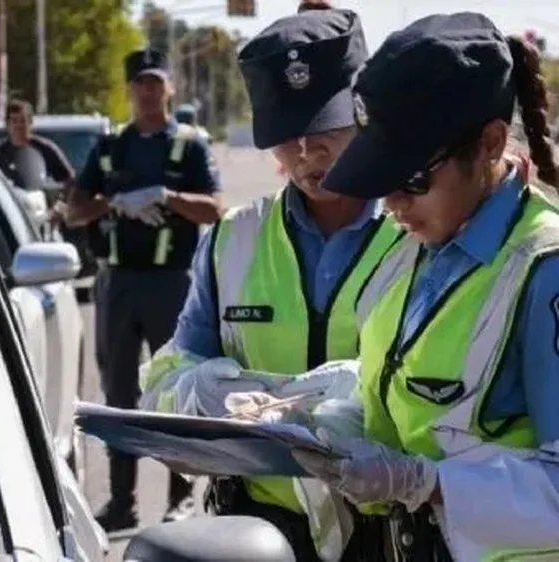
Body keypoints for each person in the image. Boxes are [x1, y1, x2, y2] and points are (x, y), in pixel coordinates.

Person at [288, 12, 559, 561]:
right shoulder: (411, 244)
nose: (392, 204)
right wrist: (338, 418)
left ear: (488, 144)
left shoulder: (543, 271)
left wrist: (426, 483)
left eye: (411, 179)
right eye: (382, 179)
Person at [138, 4, 402, 560]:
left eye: (325, 126)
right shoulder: (233, 239)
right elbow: (173, 367)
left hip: (393, 525)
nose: (307, 153)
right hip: (257, 533)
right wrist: (194, 392)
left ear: (363, 112)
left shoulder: (421, 230)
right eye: (287, 135)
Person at [65, 46, 226, 531]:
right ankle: (121, 502)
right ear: (130, 89)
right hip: (118, 284)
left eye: (157, 82)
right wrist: (116, 201)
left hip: (171, 285)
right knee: (118, 391)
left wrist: (165, 197)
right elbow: (74, 210)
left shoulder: (190, 146)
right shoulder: (111, 146)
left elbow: (214, 208)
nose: (149, 91)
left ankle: (181, 496)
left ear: (169, 88)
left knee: (173, 386)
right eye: (141, 83)